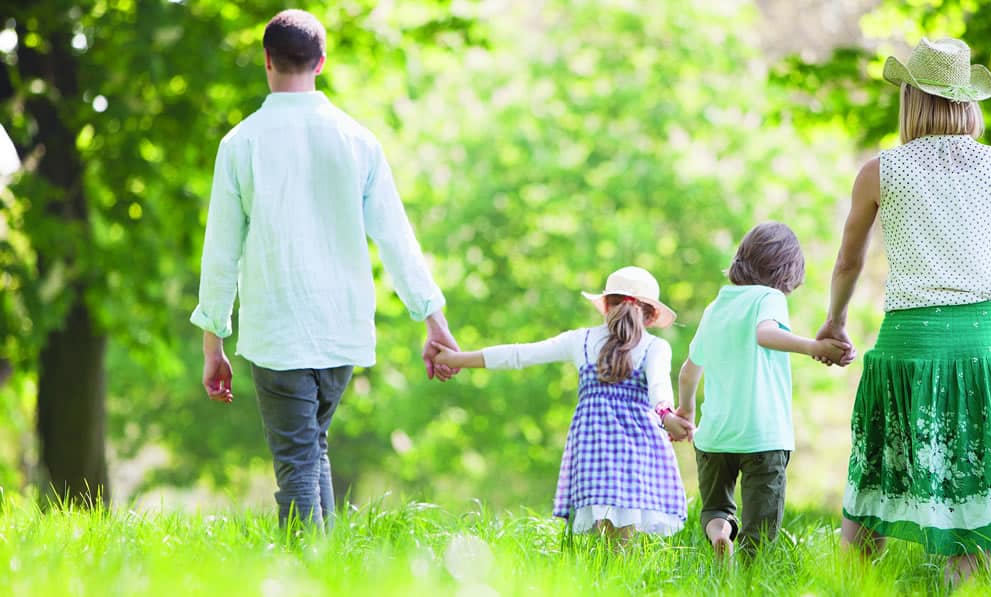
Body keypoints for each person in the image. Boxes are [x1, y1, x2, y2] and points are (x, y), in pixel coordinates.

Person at [190, 9, 460, 531]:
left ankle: (301, 577)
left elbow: (220, 253)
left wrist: (213, 345)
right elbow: (396, 238)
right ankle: (330, 572)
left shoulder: (240, 144)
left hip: (276, 329)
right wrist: (432, 317)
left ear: (266, 61)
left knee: (297, 463)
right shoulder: (358, 141)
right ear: (322, 62)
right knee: (311, 451)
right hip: (341, 328)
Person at [816, 37, 991, 582]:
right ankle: (959, 586)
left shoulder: (879, 171)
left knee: (877, 477)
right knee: (974, 475)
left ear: (910, 98)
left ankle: (856, 587)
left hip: (907, 343)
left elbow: (847, 265)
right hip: (984, 343)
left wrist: (833, 320)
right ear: (967, 99)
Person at [432, 266, 693, 540]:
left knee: (603, 536)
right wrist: (667, 417)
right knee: (626, 536)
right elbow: (659, 390)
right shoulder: (655, 347)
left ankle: (603, 580)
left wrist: (456, 359)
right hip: (638, 449)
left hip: (594, 448)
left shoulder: (580, 340)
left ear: (605, 305)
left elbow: (519, 354)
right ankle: (622, 579)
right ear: (651, 315)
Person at [674, 222, 850, 556]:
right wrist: (815, 347)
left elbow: (688, 372)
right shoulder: (768, 297)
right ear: (787, 270)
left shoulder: (716, 307)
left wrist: (686, 410)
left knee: (715, 509)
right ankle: (751, 581)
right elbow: (765, 334)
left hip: (714, 437)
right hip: (763, 436)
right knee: (761, 528)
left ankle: (720, 535)